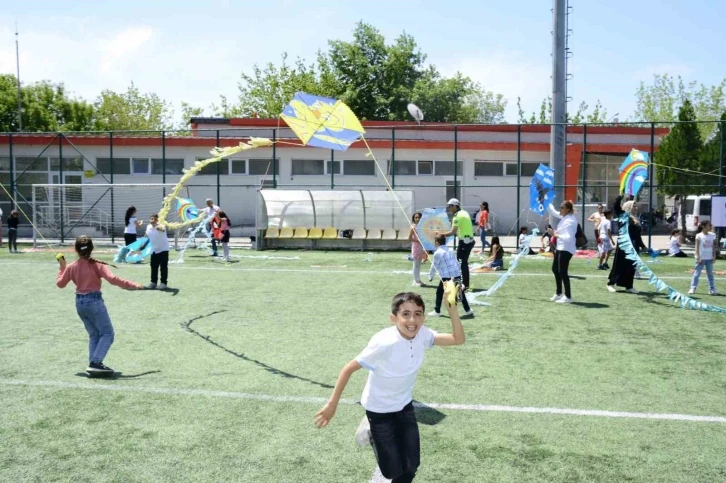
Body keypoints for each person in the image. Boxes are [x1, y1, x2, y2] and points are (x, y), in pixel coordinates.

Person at [313, 291, 465, 483]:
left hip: (404, 406)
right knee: (391, 471)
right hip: (379, 411)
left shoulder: (423, 334)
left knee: (411, 466)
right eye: (406, 314)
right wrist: (332, 404)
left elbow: (458, 339)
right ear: (394, 318)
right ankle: (370, 432)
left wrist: (452, 309)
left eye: (418, 313)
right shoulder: (384, 343)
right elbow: (348, 369)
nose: (412, 319)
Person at [56, 235, 143, 374]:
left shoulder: (71, 267)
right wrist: (133, 285)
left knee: (94, 334)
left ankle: (93, 364)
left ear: (76, 250)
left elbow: (60, 284)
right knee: (108, 333)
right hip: (94, 301)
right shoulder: (97, 264)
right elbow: (113, 279)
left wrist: (62, 268)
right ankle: (96, 362)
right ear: (91, 249)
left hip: (79, 303)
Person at [428, 235, 474, 317]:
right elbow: (456, 262)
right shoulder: (450, 250)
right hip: (456, 274)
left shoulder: (437, 253)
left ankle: (437, 311)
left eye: (434, 242)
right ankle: (468, 310)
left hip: (447, 276)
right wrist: (459, 275)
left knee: (439, 292)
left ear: (437, 243)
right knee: (460, 292)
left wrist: (430, 277)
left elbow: (434, 266)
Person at [607, 197, 646, 294]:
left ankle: (629, 286)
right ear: (628, 207)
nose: (635, 208)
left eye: (636, 206)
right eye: (633, 206)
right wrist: (620, 196)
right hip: (624, 245)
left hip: (633, 246)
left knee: (631, 266)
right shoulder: (623, 215)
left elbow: (637, 235)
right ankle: (611, 283)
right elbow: (616, 207)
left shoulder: (635, 219)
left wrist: (643, 246)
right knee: (619, 265)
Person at [436, 198, 475, 290]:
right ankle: (464, 283)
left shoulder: (457, 216)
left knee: (461, 263)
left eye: (449, 206)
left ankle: (463, 285)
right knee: (463, 263)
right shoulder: (464, 212)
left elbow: (452, 232)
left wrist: (440, 234)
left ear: (454, 206)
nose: (449, 208)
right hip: (468, 240)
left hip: (464, 242)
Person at [547, 200, 578, 303]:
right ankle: (559, 293)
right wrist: (545, 201)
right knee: (555, 269)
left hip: (567, 248)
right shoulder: (565, 217)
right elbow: (554, 212)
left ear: (568, 210)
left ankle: (568, 296)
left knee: (563, 271)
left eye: (562, 208)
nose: (560, 209)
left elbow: (568, 237)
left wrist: (554, 234)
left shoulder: (570, 221)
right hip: (561, 247)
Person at [135, 214, 170, 289]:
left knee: (163, 267)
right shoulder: (148, 227)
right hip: (154, 249)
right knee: (153, 266)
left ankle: (163, 283)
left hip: (163, 249)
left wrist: (159, 227)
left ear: (157, 220)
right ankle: (153, 282)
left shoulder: (161, 226)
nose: (152, 220)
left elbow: (162, 229)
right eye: (151, 219)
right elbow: (146, 236)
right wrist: (141, 246)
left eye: (154, 219)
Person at [689, 220, 718, 295]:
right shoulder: (699, 235)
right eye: (709, 225)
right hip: (701, 258)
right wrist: (698, 257)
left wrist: (714, 256)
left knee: (710, 274)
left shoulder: (712, 235)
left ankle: (712, 289)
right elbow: (696, 247)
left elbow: (714, 246)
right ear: (703, 226)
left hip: (709, 258)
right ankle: (693, 288)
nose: (710, 227)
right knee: (697, 274)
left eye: (710, 225)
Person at [408, 212, 428, 286]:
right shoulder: (413, 227)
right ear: (414, 219)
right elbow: (409, 238)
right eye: (415, 218)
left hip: (421, 247)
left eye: (419, 217)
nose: (417, 219)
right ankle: (416, 280)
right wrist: (418, 241)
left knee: (419, 265)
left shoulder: (422, 227)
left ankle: (418, 280)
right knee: (416, 264)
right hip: (416, 247)